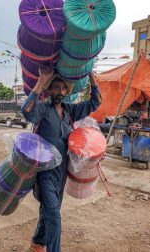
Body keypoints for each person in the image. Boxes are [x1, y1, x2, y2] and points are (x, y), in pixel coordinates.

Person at [22, 67, 102, 252]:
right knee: (54, 214)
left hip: (62, 171)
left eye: (63, 88)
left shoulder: (69, 111)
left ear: (67, 91)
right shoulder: (42, 109)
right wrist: (41, 80)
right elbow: (26, 111)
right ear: (50, 90)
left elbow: (95, 102)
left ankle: (37, 242)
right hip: (43, 170)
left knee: (50, 208)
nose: (59, 91)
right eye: (56, 88)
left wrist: (92, 78)